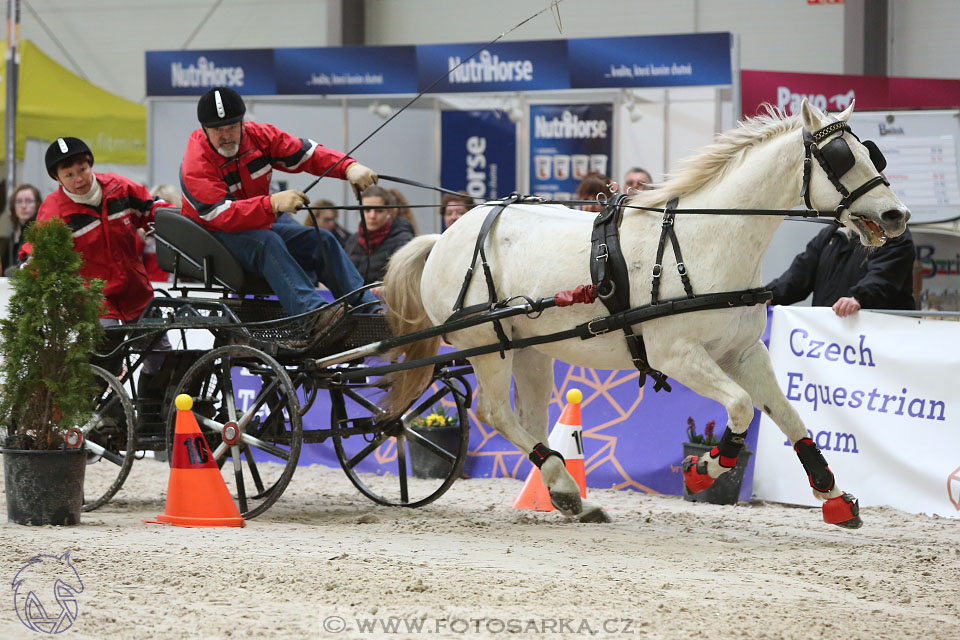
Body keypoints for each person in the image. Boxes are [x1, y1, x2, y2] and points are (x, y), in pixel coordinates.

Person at [179, 86, 379, 321]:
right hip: (212, 235)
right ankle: (314, 316)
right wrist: (271, 204)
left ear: (243, 122)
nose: (226, 135)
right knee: (267, 243)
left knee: (321, 239)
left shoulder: (260, 137)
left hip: (254, 225)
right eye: (217, 130)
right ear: (204, 130)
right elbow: (221, 215)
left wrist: (348, 167)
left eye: (232, 127)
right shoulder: (196, 162)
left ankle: (369, 311)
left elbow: (306, 154)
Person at [24, 137, 172, 393]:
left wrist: (178, 219)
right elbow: (36, 255)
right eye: (68, 174)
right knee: (106, 358)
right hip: (93, 299)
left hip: (135, 290)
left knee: (161, 357)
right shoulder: (54, 212)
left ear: (90, 164)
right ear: (57, 179)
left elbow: (154, 210)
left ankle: (152, 417)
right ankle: (107, 424)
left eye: (82, 169)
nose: (78, 179)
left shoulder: (120, 188)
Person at [766, 225, 917, 317]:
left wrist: (858, 299)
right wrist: (769, 296)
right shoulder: (830, 234)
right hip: (828, 341)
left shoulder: (894, 237)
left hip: (872, 346)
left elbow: (883, 278)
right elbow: (798, 276)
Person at [345, 185, 414, 284]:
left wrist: (386, 286)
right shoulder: (353, 241)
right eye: (367, 210)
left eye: (379, 211)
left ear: (389, 211)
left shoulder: (403, 239)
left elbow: (405, 277)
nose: (372, 216)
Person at [5, 184, 41, 276]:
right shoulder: (16, 233)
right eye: (19, 201)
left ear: (37, 204)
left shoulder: (40, 230)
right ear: (13, 206)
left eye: (29, 201)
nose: (23, 206)